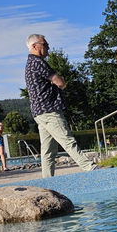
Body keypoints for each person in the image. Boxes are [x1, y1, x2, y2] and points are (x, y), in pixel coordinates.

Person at [25, 34, 97, 177]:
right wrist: (58, 81)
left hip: (39, 112)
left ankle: (47, 181)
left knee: (48, 151)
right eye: (44, 44)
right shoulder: (38, 62)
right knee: (68, 140)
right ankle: (91, 169)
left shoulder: (29, 64)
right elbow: (60, 82)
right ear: (34, 46)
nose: (48, 47)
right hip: (49, 109)